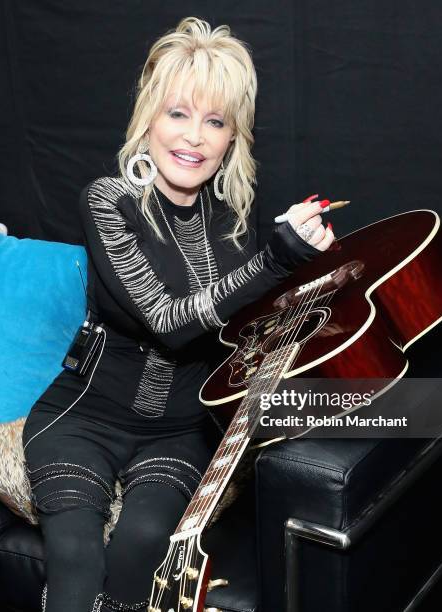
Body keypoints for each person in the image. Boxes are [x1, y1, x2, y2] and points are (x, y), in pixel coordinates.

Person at [21, 16, 334, 612]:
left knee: (143, 543)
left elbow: (251, 336)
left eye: (215, 121)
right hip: (82, 417)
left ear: (232, 138)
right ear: (149, 120)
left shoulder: (238, 226)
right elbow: (169, 320)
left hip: (180, 430)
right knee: (76, 552)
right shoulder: (108, 200)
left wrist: (312, 269)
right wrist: (277, 260)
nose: (194, 137)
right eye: (178, 113)